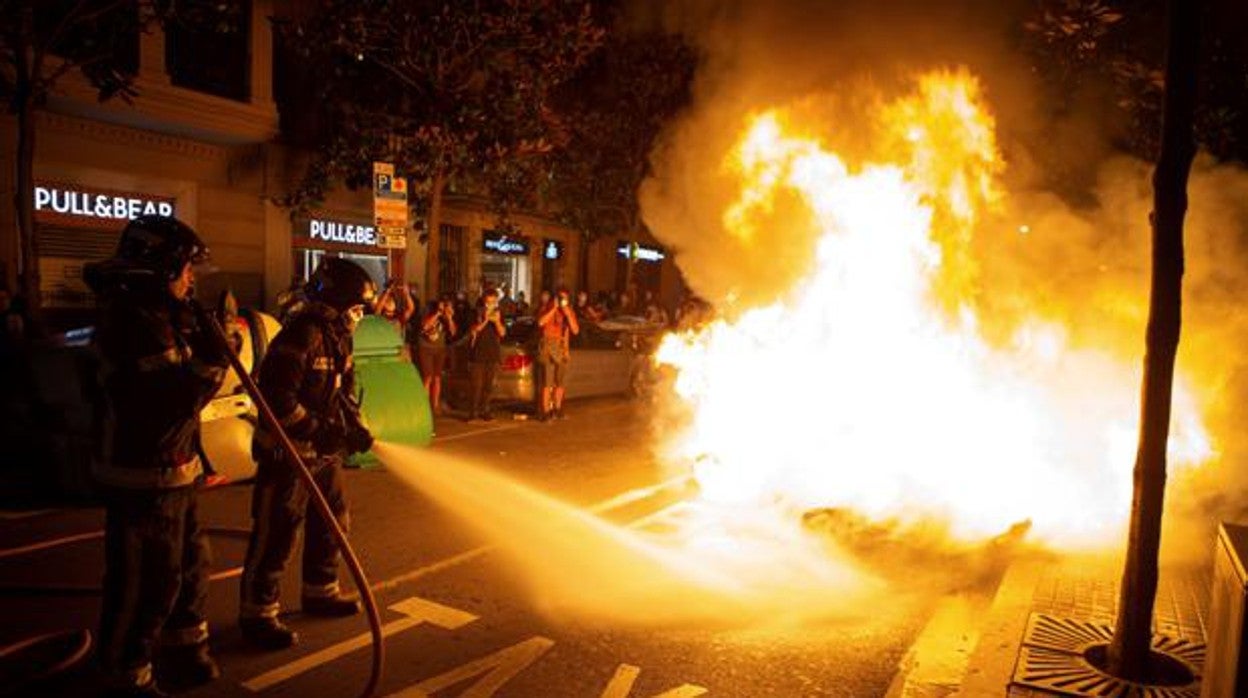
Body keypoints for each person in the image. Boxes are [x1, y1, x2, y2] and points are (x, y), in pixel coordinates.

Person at [82, 215, 230, 696]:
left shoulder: (162, 316)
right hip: (141, 477)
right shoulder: (134, 324)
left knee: (190, 568)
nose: (191, 280)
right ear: (162, 267)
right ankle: (124, 675)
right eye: (186, 269)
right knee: (146, 586)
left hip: (174, 472)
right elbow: (170, 402)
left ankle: (184, 652)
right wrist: (212, 363)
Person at [238, 258, 376, 650]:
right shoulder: (300, 335)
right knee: (277, 534)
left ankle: (320, 589)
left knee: (334, 521)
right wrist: (317, 430)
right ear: (333, 303)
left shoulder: (337, 338)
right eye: (355, 308)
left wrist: (355, 426)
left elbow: (342, 392)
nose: (358, 317)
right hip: (287, 456)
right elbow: (277, 399)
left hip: (322, 455)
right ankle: (258, 614)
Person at [535, 288, 579, 421]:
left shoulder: (568, 311)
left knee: (560, 382)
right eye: (560, 298)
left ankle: (558, 409)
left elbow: (575, 330)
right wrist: (553, 308)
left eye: (564, 298)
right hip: (547, 346)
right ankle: (545, 411)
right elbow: (540, 322)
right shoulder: (546, 309)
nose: (562, 300)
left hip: (561, 347)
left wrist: (568, 314)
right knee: (547, 382)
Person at [465, 288, 505, 421]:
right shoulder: (475, 312)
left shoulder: (498, 313)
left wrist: (497, 321)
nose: (492, 305)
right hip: (478, 353)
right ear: (484, 301)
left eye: (494, 302)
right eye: (489, 302)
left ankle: (485, 409)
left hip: (492, 353)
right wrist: (486, 319)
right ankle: (473, 412)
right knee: (476, 385)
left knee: (489, 385)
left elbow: (502, 333)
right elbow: (474, 330)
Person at [417, 295, 457, 415]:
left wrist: (449, 318)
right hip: (426, 348)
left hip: (440, 348)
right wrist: (437, 314)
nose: (443, 308)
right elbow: (425, 326)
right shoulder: (428, 311)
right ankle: (424, 405)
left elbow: (453, 332)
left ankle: (434, 405)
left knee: (437, 378)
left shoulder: (446, 317)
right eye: (442, 305)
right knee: (428, 377)